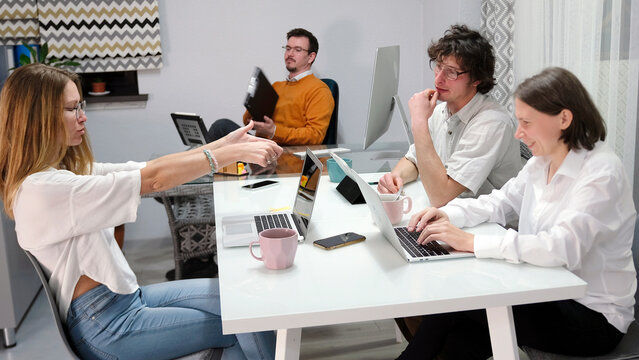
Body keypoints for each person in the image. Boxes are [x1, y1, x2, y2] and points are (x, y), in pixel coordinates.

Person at [0, 64, 282, 360]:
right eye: (72, 109)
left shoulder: (63, 175)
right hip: (107, 325)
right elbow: (153, 181)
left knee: (244, 300)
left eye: (81, 106)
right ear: (38, 118)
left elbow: (146, 170)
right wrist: (231, 155)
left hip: (122, 301)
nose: (83, 117)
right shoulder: (46, 189)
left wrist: (226, 143)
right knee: (246, 316)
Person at [396, 67, 636, 359]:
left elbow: (560, 248)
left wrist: (472, 243)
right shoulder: (543, 160)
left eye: (527, 123)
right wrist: (447, 215)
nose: (518, 133)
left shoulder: (601, 172)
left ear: (564, 118)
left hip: (591, 315)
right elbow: (499, 202)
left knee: (458, 298)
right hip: (543, 286)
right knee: (456, 333)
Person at [378, 24, 522, 208]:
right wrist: (396, 178)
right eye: (438, 66)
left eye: (451, 72)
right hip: (455, 215)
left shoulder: (492, 123)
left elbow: (441, 196)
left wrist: (419, 123)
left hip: (494, 227)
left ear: (477, 79)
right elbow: (414, 161)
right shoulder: (440, 111)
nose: (438, 79)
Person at [208, 27, 335, 145]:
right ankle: (196, 164)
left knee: (221, 126)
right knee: (221, 127)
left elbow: (315, 135)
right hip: (260, 146)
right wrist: (252, 112)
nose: (290, 54)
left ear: (311, 57)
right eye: (288, 48)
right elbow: (247, 121)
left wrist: (274, 131)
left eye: (297, 50)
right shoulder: (277, 86)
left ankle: (196, 165)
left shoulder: (320, 90)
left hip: (284, 153)